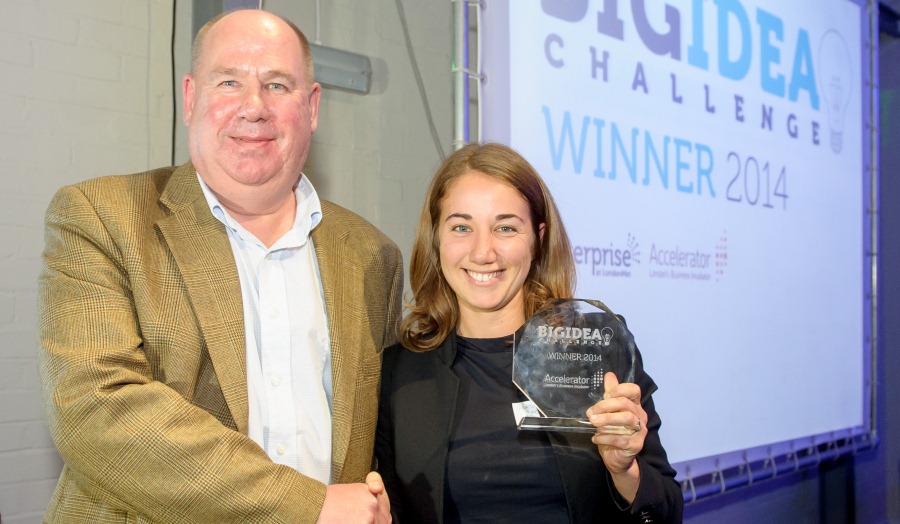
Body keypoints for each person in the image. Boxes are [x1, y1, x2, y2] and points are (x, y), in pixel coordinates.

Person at [39, 9, 401, 523]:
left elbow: (384, 433)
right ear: (190, 97)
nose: (253, 108)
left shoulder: (372, 254)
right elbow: (95, 410)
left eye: (277, 85)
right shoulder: (102, 218)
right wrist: (308, 507)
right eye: (228, 81)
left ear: (313, 106)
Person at [374, 142, 683, 523]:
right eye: (461, 227)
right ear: (436, 239)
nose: (483, 251)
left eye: (505, 227)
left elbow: (666, 511)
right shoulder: (400, 371)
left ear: (537, 239)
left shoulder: (597, 349)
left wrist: (625, 472)